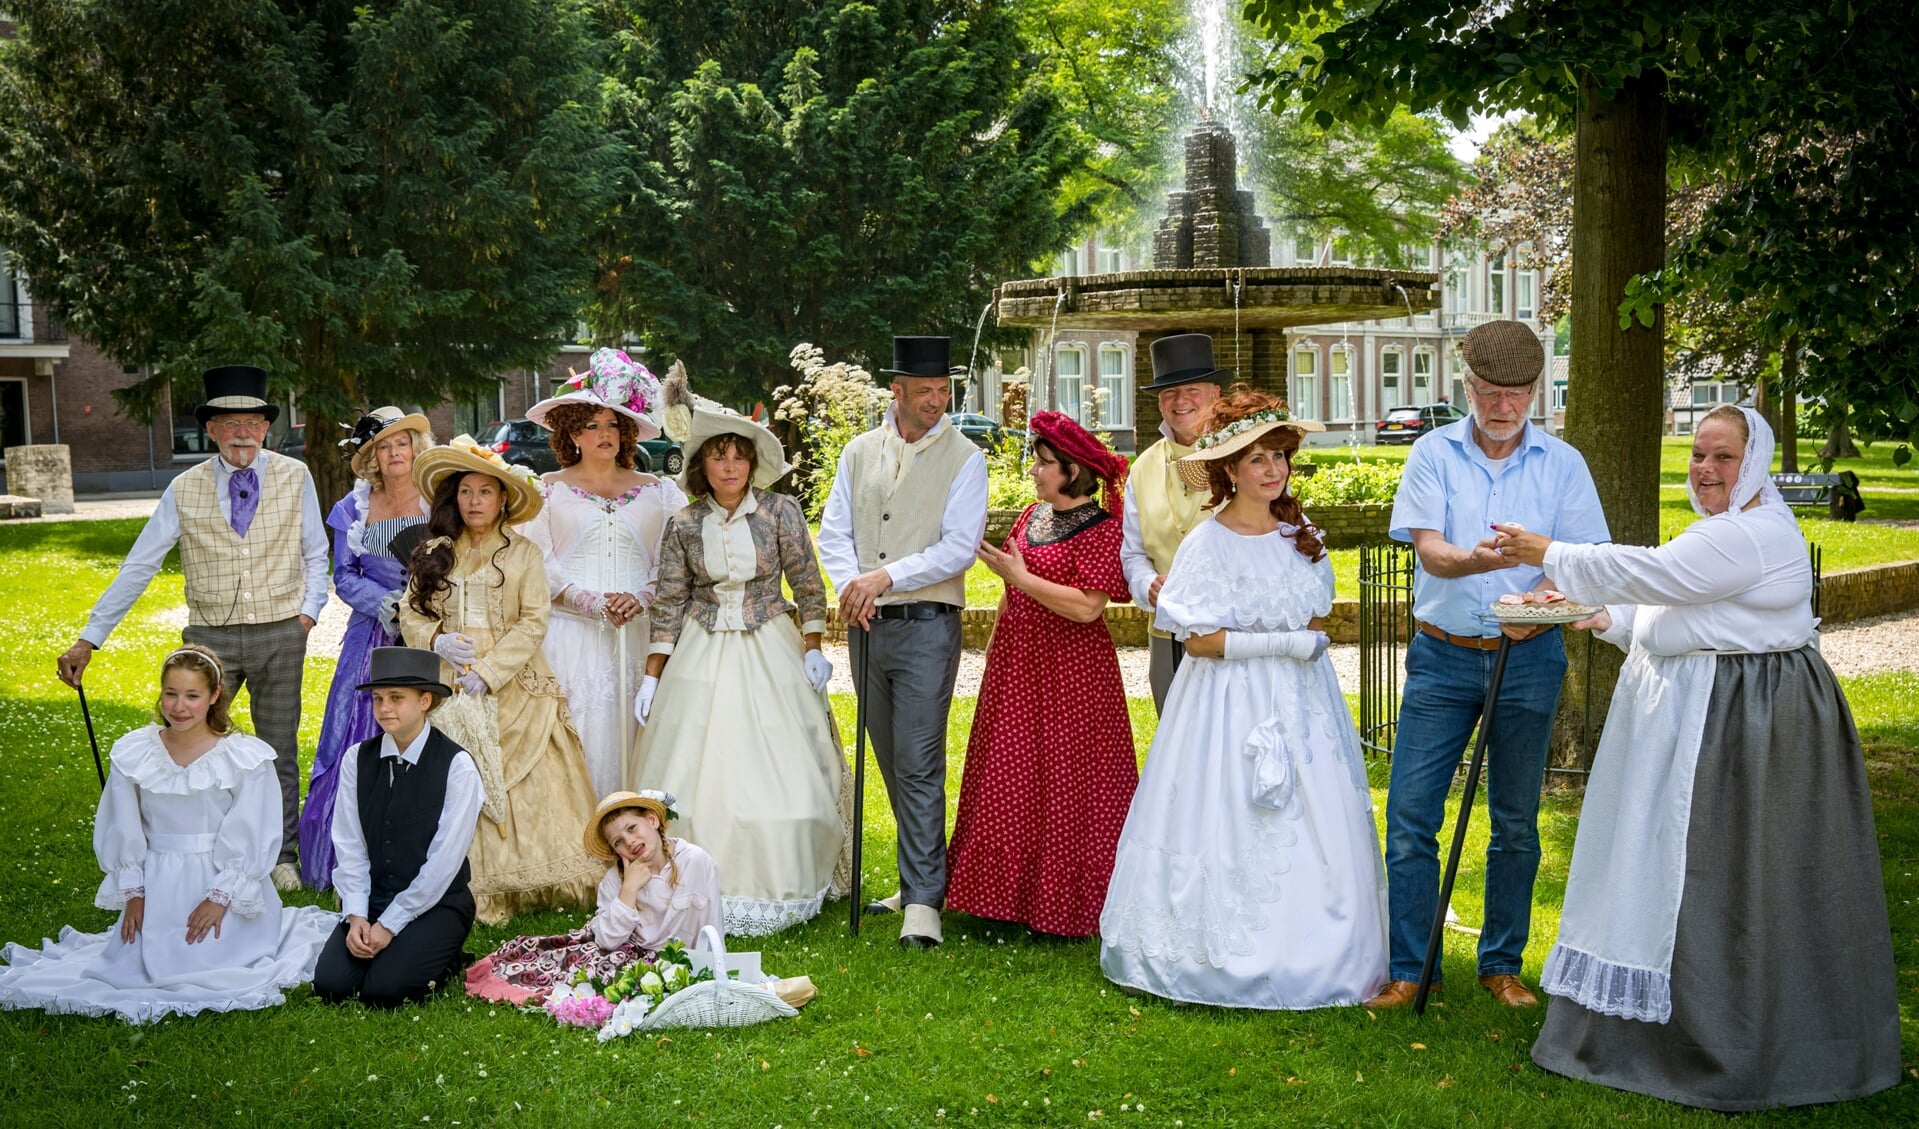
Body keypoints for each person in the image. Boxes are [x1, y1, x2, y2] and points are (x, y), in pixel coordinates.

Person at [1491, 405, 1899, 1111]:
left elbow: (1657, 574)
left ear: (1755, 464)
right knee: (1650, 868)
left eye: (1722, 458)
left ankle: (1735, 1039)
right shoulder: (1722, 533)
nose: (1705, 470)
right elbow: (1675, 613)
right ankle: (1643, 1034)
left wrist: (1546, 550)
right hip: (1688, 712)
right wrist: (1595, 615)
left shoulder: (1753, 532)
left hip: (1739, 725)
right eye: (1697, 456)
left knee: (1723, 876)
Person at [1099, 390, 1389, 1008]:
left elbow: (1317, 620)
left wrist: (1299, 645)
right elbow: (1199, 642)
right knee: (1227, 817)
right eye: (1255, 458)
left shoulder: (1301, 534)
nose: (1271, 469)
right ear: (1228, 470)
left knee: (1316, 820)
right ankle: (1225, 954)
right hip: (1227, 706)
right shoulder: (1207, 543)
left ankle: (1324, 948)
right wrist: (1286, 645)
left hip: (1303, 706)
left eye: (1278, 456)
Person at [1366, 321, 1610, 1010]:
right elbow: (1432, 551)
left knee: (1515, 820)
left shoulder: (1563, 463)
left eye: (1517, 393)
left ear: (1535, 391)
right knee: (1411, 814)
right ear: (1467, 386)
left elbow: (1584, 564)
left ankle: (1500, 963)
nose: (1503, 405)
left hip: (1528, 658)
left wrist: (1528, 603)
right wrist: (1483, 560)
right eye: (1490, 391)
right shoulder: (1430, 453)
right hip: (1442, 656)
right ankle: (1412, 966)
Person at [57, 365, 329, 892]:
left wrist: (307, 614)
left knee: (278, 749)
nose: (241, 432)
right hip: (210, 638)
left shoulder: (295, 477)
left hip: (281, 632)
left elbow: (316, 555)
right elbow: (139, 564)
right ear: (210, 429)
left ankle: (281, 856)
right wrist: (90, 637)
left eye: (251, 420)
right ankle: (200, 851)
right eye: (229, 422)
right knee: (195, 743)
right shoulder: (184, 487)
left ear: (267, 426)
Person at [0, 646, 337, 1023]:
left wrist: (221, 895)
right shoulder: (136, 752)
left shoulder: (242, 756)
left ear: (214, 697)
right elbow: (122, 824)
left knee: (206, 960)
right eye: (171, 694)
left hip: (218, 876)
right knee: (133, 964)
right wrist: (134, 892)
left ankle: (233, 934)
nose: (179, 706)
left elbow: (253, 829)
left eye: (192, 696)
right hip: (158, 880)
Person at [631, 378, 848, 935]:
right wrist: (653, 676)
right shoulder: (683, 523)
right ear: (702, 465)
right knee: (695, 767)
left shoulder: (781, 512)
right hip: (700, 649)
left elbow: (807, 581)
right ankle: (690, 885)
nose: (729, 468)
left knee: (786, 771)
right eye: (718, 457)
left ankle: (781, 880)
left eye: (739, 457)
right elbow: (669, 601)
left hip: (769, 641)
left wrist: (814, 645)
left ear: (752, 464)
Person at [816, 336, 987, 949]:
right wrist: (850, 586)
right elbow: (834, 528)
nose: (936, 403)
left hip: (926, 624)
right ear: (897, 392)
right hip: (868, 627)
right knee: (888, 754)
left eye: (944, 392)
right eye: (925, 393)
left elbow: (959, 547)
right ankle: (915, 877)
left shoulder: (966, 458)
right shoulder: (859, 451)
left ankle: (924, 903)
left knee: (918, 763)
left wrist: (884, 578)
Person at [946, 411, 1136, 937]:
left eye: (1044, 463)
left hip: (1073, 670)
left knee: (1070, 779)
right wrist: (994, 643)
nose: (1033, 471)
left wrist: (1020, 578)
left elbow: (1087, 609)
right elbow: (1013, 586)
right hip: (1019, 660)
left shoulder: (1101, 529)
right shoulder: (1031, 515)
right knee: (1012, 771)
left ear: (1072, 471)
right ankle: (998, 898)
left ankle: (1064, 905)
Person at [401, 436, 602, 924]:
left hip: (515, 683)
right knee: (454, 776)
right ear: (454, 497)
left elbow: (533, 621)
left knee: (524, 778)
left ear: (503, 499)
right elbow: (409, 610)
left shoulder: (524, 554)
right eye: (466, 492)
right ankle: (459, 884)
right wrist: (436, 641)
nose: (475, 502)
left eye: (485, 492)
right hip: (446, 682)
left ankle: (528, 882)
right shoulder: (433, 550)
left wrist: (488, 674)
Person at [521, 348, 684, 796]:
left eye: (613, 424)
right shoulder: (545, 491)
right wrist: (585, 600)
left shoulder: (661, 493)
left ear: (628, 431)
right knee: (580, 744)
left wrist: (646, 596)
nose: (604, 433)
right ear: (572, 433)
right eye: (591, 425)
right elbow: (536, 562)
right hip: (570, 639)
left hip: (642, 638)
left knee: (643, 744)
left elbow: (677, 561)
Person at [300, 407, 436, 889]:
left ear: (415, 448)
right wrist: (386, 604)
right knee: (354, 729)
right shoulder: (351, 508)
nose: (395, 453)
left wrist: (422, 606)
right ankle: (345, 857)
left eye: (402, 443)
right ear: (373, 457)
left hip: (430, 629)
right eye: (384, 446)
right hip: (371, 633)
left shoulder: (438, 500)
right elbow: (343, 576)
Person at [314, 646, 483, 1009]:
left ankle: (447, 956)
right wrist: (357, 913)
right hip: (374, 897)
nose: (384, 708)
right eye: (377, 699)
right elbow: (350, 843)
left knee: (384, 993)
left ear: (425, 701)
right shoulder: (357, 758)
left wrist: (390, 924)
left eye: (396, 698)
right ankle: (393, 949)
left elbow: (443, 862)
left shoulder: (457, 766)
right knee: (331, 986)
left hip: (436, 902)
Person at [464, 790, 722, 1004]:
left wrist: (712, 968)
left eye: (633, 828)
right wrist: (629, 891)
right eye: (618, 841)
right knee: (581, 970)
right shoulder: (616, 880)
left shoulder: (695, 861)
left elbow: (712, 924)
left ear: (653, 820)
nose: (630, 842)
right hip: (629, 952)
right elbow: (608, 940)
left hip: (679, 961)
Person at [1120, 334, 1226, 711]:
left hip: (1231, 631)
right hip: (1166, 634)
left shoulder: (1247, 456)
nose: (1181, 401)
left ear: (1215, 393)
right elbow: (1131, 552)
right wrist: (1147, 584)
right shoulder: (1143, 467)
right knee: (1174, 746)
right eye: (1169, 392)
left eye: (1192, 389)